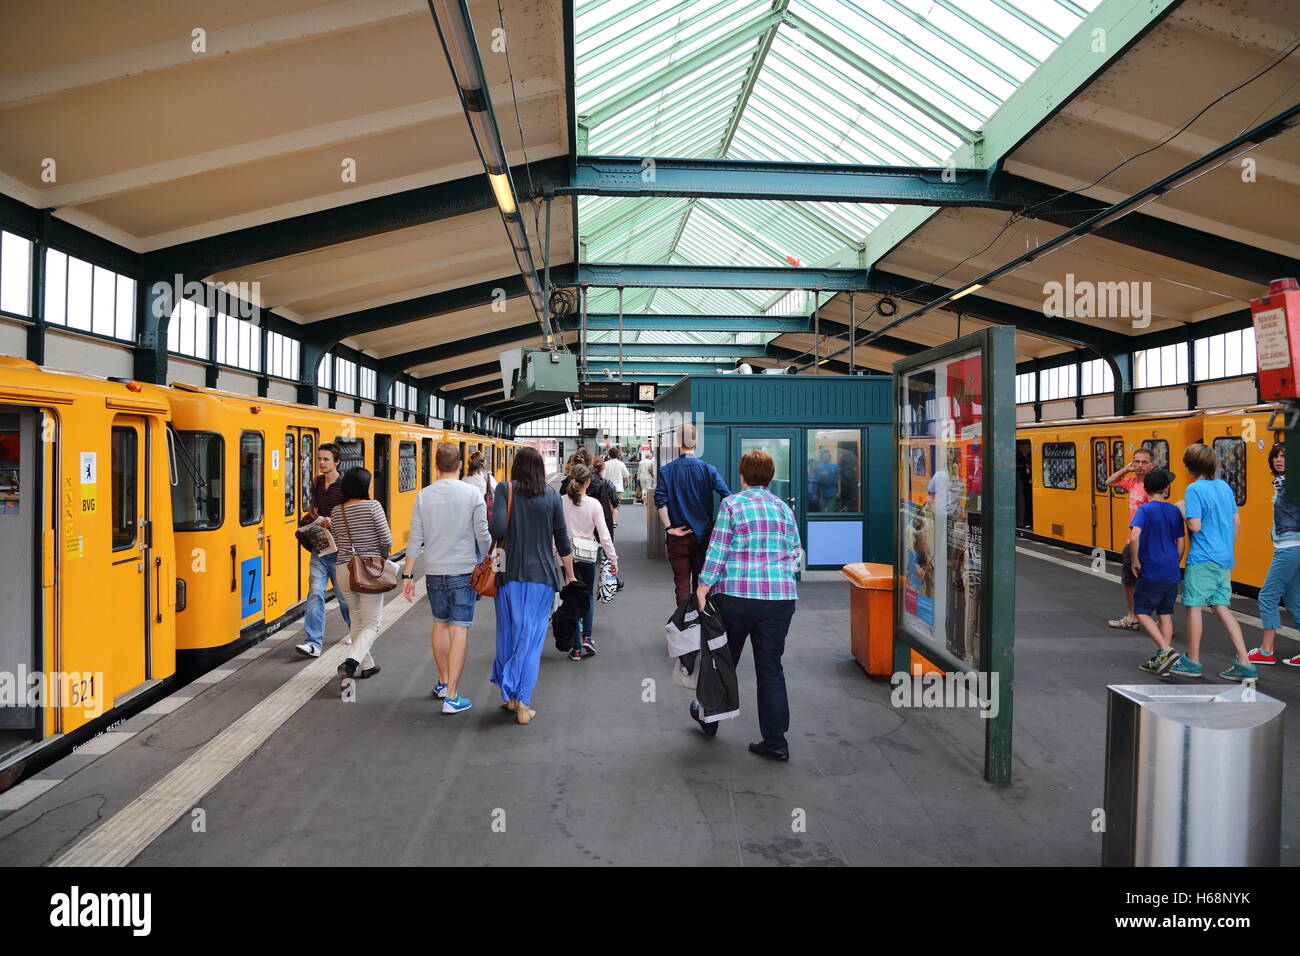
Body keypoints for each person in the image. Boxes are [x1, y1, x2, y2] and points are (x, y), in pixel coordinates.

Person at [694, 449, 801, 761]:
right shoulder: (783, 509)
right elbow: (795, 552)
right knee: (771, 670)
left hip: (737, 598)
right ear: (770, 476)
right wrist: (779, 573)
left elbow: (718, 550)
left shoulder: (732, 505)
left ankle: (709, 718)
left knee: (723, 662)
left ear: (742, 476)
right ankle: (776, 742)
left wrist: (703, 587)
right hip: (780, 600)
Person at [402, 443, 491, 714]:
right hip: (463, 571)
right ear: (460, 465)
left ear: (436, 466)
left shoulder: (423, 496)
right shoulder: (472, 494)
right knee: (459, 628)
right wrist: (495, 562)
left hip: (434, 572)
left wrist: (407, 574)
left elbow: (415, 537)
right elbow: (483, 536)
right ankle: (452, 696)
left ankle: (442, 682)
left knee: (440, 624)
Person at [489, 446, 576, 724]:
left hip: (508, 575)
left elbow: (497, 530)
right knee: (531, 639)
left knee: (508, 634)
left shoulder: (505, 489)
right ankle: (523, 704)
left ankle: (510, 697)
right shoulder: (551, 496)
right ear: (540, 469)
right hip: (541, 578)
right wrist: (570, 575)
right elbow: (562, 539)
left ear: (516, 467)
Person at [1167, 443, 1257, 682]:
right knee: (1221, 608)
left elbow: (1195, 525)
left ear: (1189, 466)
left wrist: (1180, 509)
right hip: (1223, 558)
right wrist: (1225, 546)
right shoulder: (1224, 487)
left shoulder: (1194, 490)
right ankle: (1245, 663)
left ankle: (1193, 661)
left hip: (1202, 557)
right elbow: (1236, 522)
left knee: (1194, 606)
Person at [331, 467, 393, 697]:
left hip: (343, 569)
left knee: (357, 619)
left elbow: (338, 539)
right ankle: (351, 663)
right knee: (372, 623)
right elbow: (386, 539)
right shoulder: (373, 506)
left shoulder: (337, 511)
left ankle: (367, 666)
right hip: (367, 570)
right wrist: (384, 555)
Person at [655, 424, 731, 605]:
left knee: (681, 582)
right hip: (703, 536)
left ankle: (682, 623)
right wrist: (716, 524)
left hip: (678, 537)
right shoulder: (708, 469)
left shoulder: (666, 471)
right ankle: (701, 621)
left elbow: (661, 502)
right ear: (695, 442)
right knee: (701, 582)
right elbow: (727, 496)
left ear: (676, 442)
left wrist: (669, 528)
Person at [296, 442, 352, 658]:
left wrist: (333, 521)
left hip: (341, 551)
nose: (321, 462)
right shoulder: (317, 482)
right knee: (315, 593)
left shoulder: (346, 486)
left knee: (344, 596)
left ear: (337, 461)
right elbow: (314, 508)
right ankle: (313, 642)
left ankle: (355, 630)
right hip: (320, 547)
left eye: (326, 459)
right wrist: (314, 519)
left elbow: (352, 514)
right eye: (319, 458)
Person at [1249, 443, 1300, 667]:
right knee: (1294, 600)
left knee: (1267, 597)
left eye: (1284, 456)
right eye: (1275, 456)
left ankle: (1266, 651)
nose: (1278, 460)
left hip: (1289, 548)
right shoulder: (1282, 484)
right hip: (1290, 547)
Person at [1129, 469, 1184, 675]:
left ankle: (1165, 650)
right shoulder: (1174, 511)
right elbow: (1180, 542)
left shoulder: (1144, 510)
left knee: (1141, 610)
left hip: (1151, 567)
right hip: (1171, 569)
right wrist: (1174, 561)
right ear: (1166, 488)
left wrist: (1135, 560)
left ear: (1145, 488)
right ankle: (1163, 661)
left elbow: (1134, 538)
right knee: (1165, 613)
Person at [561, 463, 618, 661]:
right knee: (587, 597)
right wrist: (613, 558)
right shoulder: (594, 504)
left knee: (571, 598)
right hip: (587, 556)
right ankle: (587, 637)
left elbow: (555, 535)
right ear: (587, 482)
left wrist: (555, 555)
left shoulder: (561, 502)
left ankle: (575, 648)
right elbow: (604, 535)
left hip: (566, 556)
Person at [1105, 446, 1155, 630]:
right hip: (1131, 540)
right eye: (1137, 461)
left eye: (1144, 462)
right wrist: (1126, 469)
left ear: (1152, 465)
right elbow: (1109, 481)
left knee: (1148, 581)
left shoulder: (1152, 486)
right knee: (1129, 581)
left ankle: (1146, 617)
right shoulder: (1132, 482)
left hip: (1144, 542)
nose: (1140, 465)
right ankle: (1132, 616)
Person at [602, 447, 629, 523]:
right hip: (618, 488)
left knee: (609, 504)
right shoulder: (621, 464)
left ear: (609, 455)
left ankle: (609, 520)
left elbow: (603, 476)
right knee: (616, 505)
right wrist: (626, 483)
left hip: (607, 487)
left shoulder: (605, 464)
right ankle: (614, 521)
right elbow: (626, 475)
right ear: (617, 455)